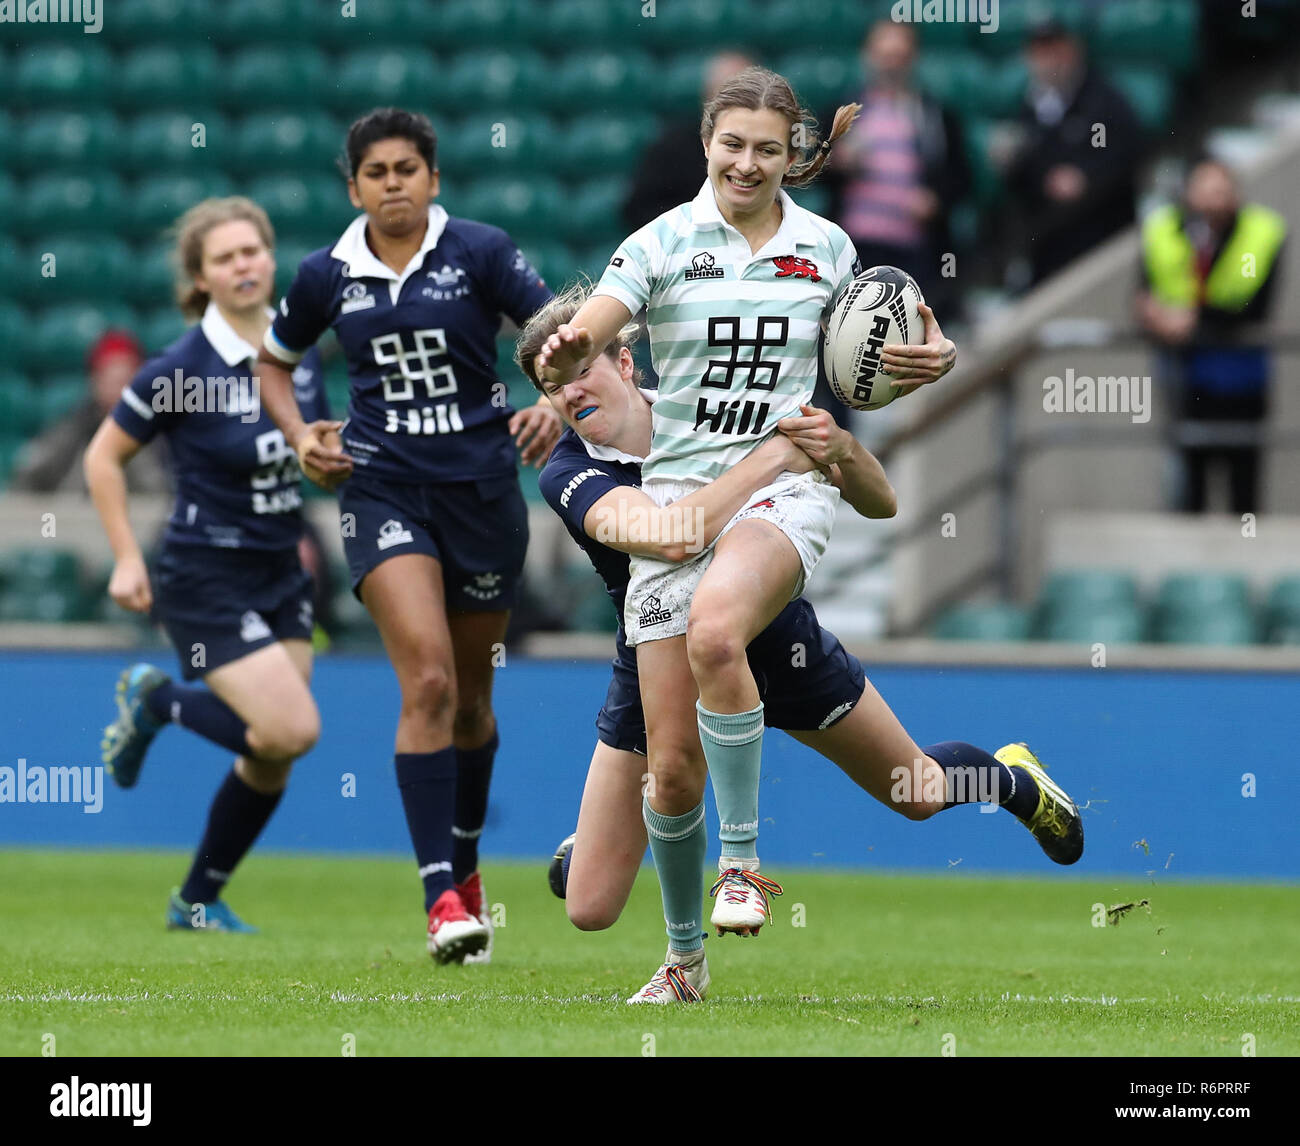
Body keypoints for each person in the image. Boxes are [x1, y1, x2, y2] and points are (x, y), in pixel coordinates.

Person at [521, 284, 1084, 1003]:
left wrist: (837, 448)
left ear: (625, 362)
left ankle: (1013, 779)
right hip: (657, 657)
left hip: (775, 642)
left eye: (581, 371)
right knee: (590, 906)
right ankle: (662, 922)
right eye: (552, 387)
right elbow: (670, 536)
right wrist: (772, 459)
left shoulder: (711, 409)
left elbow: (884, 504)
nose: (571, 395)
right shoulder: (569, 473)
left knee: (916, 791)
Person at [535, 66, 959, 1002]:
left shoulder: (829, 248)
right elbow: (605, 312)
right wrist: (576, 341)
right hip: (682, 495)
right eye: (733, 144)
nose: (748, 163)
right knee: (673, 774)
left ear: (789, 154)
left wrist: (939, 353)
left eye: (768, 148)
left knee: (720, 626)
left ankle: (742, 865)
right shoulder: (660, 243)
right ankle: (685, 962)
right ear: (706, 144)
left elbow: (893, 330)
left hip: (786, 485)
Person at [255, 108, 561, 964]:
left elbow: (561, 339)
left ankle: (465, 868)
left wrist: (554, 400)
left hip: (484, 496)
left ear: (434, 179)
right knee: (424, 680)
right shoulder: (326, 275)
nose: (393, 184)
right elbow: (274, 363)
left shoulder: (483, 252)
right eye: (376, 172)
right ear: (354, 188)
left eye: (407, 169)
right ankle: (438, 899)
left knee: (469, 700)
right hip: (381, 489)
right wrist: (301, 434)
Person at [85, 197, 328, 932]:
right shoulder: (180, 369)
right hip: (202, 572)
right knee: (291, 730)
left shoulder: (300, 345)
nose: (243, 266)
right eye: (223, 258)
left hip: (280, 567)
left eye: (251, 250)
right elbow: (103, 458)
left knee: (270, 751)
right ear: (201, 279)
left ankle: (195, 900)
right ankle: (156, 699)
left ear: (269, 253)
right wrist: (127, 558)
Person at [1136, 156, 1286, 514]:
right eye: (1204, 190)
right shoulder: (1162, 231)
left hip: (1240, 380)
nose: (1211, 201)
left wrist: (1192, 320)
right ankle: (1191, 564)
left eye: (1220, 191)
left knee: (1243, 493)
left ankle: (1246, 562)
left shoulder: (1262, 233)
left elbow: (1254, 308)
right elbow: (1145, 293)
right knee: (1189, 490)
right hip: (1185, 378)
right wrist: (1156, 316)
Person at [822, 18, 971, 321]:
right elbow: (813, 171)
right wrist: (837, 162)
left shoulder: (934, 113)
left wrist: (935, 199)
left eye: (899, 57)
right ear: (868, 56)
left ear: (913, 59)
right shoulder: (843, 110)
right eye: (884, 56)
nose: (891, 65)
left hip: (913, 249)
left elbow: (963, 177)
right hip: (854, 246)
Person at [1003, 19, 1143, 286]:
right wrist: (1037, 175)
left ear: (1073, 50)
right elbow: (1021, 171)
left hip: (1101, 234)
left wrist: (1086, 179)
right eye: (1040, 52)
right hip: (1049, 243)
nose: (1049, 60)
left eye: (1055, 49)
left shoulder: (1104, 99)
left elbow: (1128, 153)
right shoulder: (1026, 107)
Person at [14, 329, 171, 494]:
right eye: (111, 381)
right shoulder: (71, 432)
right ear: (94, 381)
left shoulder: (160, 437)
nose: (119, 391)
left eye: (126, 381)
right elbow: (27, 477)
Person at [619, 52, 755, 233]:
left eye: (746, 93)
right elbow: (639, 209)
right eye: (726, 92)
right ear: (707, 95)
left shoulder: (772, 149)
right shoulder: (674, 148)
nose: (736, 103)